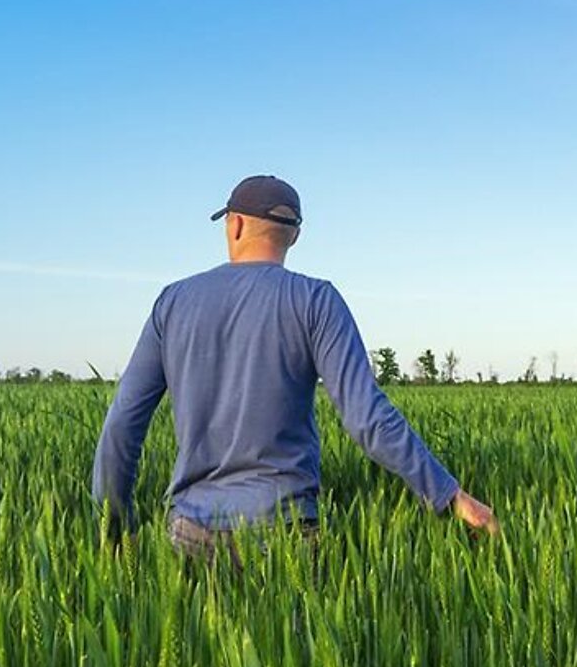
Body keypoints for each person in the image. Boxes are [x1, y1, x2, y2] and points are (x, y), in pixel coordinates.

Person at [91, 174, 498, 563]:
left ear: (233, 225)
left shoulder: (173, 302)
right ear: (295, 236)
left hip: (191, 531)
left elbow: (123, 424)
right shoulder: (316, 300)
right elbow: (367, 418)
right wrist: (449, 495)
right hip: (286, 534)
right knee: (289, 637)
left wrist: (114, 530)